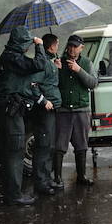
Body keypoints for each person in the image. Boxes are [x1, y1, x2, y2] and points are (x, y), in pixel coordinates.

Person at [0, 26, 46, 205]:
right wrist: (40, 46)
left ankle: (11, 193)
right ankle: (14, 196)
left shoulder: (7, 57)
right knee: (16, 152)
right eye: (26, 43)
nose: (27, 47)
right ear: (20, 42)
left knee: (10, 152)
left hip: (6, 110)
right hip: (11, 111)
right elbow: (38, 65)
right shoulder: (13, 58)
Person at [52, 33, 98, 186]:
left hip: (81, 110)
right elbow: (53, 85)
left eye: (75, 47)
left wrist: (79, 70)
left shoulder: (87, 63)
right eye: (70, 46)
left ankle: (81, 176)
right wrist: (56, 70)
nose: (71, 49)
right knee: (59, 145)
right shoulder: (59, 62)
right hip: (63, 110)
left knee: (81, 145)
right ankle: (57, 177)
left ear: (81, 48)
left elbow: (92, 83)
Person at [29, 33, 62, 194]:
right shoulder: (42, 63)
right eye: (57, 44)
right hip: (44, 111)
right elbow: (33, 85)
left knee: (50, 146)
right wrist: (43, 101)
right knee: (43, 147)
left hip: (52, 110)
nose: (58, 47)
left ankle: (48, 180)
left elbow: (48, 81)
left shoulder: (50, 62)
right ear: (51, 46)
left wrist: (55, 67)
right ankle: (41, 183)